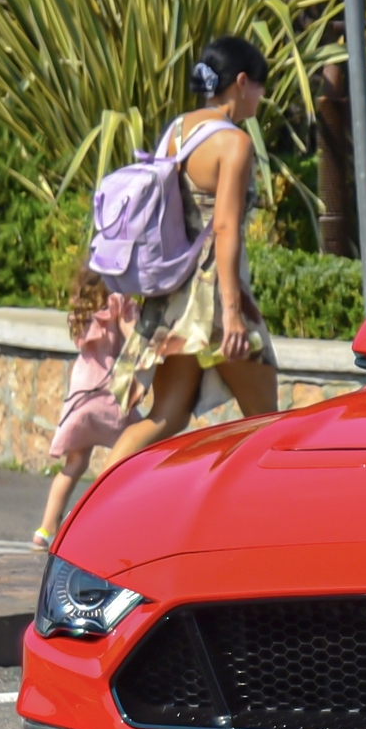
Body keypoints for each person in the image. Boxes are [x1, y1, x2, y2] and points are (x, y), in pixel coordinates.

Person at [99, 36, 280, 472]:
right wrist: (234, 314)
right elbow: (224, 228)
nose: (261, 96)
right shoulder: (234, 144)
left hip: (172, 298)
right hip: (215, 298)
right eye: (259, 86)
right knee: (269, 422)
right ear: (240, 82)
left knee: (167, 416)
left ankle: (87, 512)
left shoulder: (176, 132)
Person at [32, 269, 139, 549]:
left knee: (75, 463)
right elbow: (134, 338)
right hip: (107, 393)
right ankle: (97, 519)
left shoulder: (83, 308)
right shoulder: (118, 302)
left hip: (81, 391)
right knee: (137, 444)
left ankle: (45, 529)